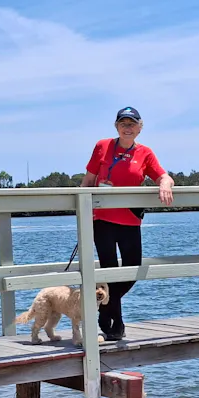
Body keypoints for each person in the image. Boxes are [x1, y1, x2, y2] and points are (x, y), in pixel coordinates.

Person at [81, 106, 175, 341]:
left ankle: (104, 308)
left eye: (132, 123)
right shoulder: (102, 146)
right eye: (123, 123)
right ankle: (115, 326)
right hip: (101, 220)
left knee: (133, 270)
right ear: (116, 126)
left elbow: (163, 175)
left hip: (130, 221)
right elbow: (88, 181)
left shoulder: (145, 153)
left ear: (140, 128)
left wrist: (164, 184)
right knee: (111, 272)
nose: (127, 127)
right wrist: (82, 213)